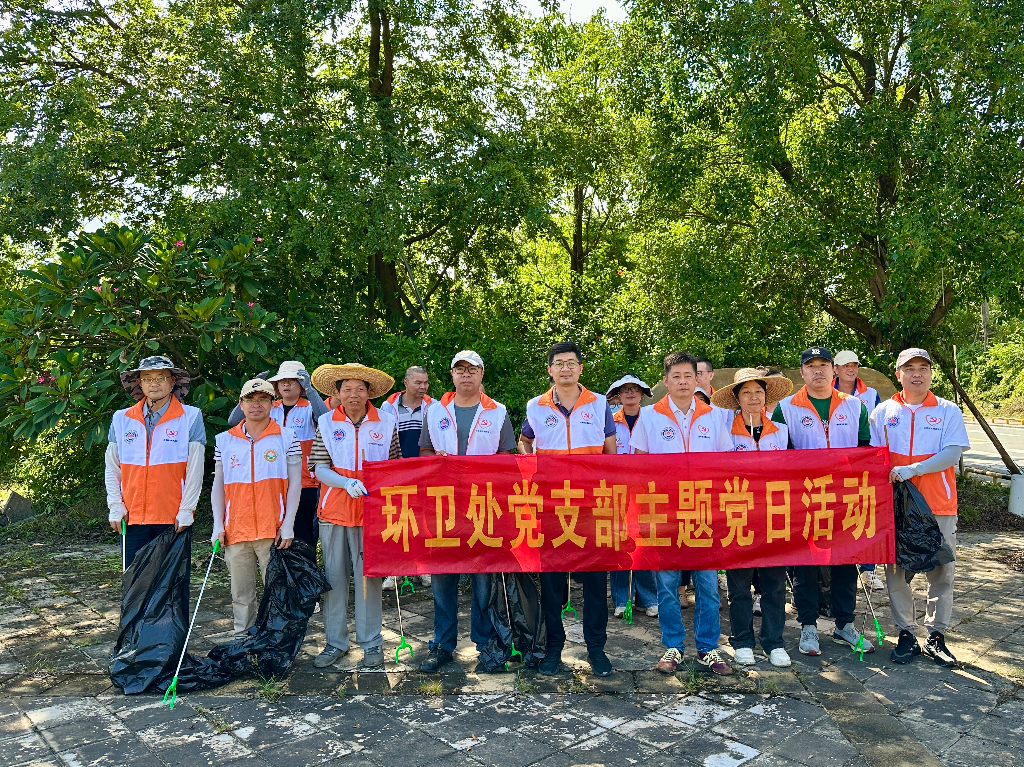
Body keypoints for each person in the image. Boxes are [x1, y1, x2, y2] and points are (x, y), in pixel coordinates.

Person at [631, 351, 735, 676]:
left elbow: (726, 463)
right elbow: (637, 463)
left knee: (706, 583)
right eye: (675, 376)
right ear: (665, 380)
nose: (682, 382)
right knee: (667, 583)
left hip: (704, 510)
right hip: (663, 512)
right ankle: (673, 645)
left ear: (698, 379)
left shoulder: (714, 415)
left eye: (688, 376)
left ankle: (707, 647)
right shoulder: (649, 416)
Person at [519, 341, 617, 677]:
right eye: (558, 363)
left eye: (571, 363)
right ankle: (553, 649)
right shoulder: (536, 406)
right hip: (552, 507)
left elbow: (610, 452)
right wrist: (532, 469)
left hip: (592, 507)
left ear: (580, 368)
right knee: (552, 583)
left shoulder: (600, 403)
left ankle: (596, 649)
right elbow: (525, 442)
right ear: (549, 370)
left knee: (594, 581)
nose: (565, 368)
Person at [416, 350, 518, 673]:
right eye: (459, 369)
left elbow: (508, 459)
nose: (466, 375)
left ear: (481, 375)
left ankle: (484, 644)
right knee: (442, 578)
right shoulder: (434, 411)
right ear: (451, 375)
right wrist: (436, 460)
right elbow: (423, 453)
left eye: (472, 369)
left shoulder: (497, 412)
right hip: (443, 507)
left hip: (482, 507)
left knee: (483, 579)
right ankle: (442, 644)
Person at [869, 348, 970, 666]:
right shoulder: (882, 412)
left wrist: (912, 469)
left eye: (923, 368)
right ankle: (906, 634)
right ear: (898, 374)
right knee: (897, 573)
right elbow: (874, 458)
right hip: (896, 507)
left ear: (930, 373)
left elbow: (952, 454)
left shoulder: (947, 410)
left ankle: (936, 636)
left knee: (942, 572)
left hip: (938, 504)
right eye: (909, 368)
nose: (917, 373)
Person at [771, 347, 875, 656]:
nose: (818, 371)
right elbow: (779, 456)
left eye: (823, 365)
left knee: (845, 563)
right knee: (805, 565)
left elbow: (866, 451)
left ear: (835, 371)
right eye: (811, 366)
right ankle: (808, 626)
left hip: (844, 500)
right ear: (801, 372)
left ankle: (845, 624)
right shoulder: (786, 408)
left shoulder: (855, 406)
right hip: (805, 500)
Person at [308, 363, 400, 669]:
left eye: (360, 388)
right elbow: (318, 467)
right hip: (333, 510)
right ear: (337, 393)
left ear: (369, 392)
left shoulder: (386, 422)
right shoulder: (325, 421)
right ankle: (335, 642)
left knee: (368, 580)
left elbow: (396, 467)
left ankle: (372, 643)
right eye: (347, 388)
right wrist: (345, 482)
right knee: (333, 580)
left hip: (372, 513)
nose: (353, 394)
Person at [106, 356, 205, 618]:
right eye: (148, 378)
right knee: (135, 583)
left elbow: (195, 469)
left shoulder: (190, 417)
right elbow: (112, 467)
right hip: (133, 517)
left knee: (174, 584)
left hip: (173, 517)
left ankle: (170, 648)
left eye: (161, 377)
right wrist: (115, 505)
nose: (154, 384)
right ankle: (135, 645)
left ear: (173, 381)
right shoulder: (121, 419)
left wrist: (187, 509)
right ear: (139, 383)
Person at [711, 368, 793, 668]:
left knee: (774, 584)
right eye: (746, 393)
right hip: (737, 515)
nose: (753, 398)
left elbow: (792, 474)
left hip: (773, 516)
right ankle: (742, 641)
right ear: (737, 398)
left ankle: (774, 642)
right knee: (739, 585)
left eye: (758, 392)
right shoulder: (725, 432)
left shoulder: (781, 432)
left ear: (766, 397)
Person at [211, 379, 302, 635]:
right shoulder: (224, 440)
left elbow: (296, 483)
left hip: (272, 529)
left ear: (274, 404)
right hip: (236, 529)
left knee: (277, 591)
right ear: (241, 404)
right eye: (250, 399)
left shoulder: (287, 437)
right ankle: (243, 640)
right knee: (240, 593)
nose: (256, 405)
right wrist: (219, 524)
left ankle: (275, 640)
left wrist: (288, 524)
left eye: (263, 399)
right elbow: (218, 484)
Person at [227, 361, 328, 547]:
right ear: (276, 386)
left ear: (301, 384)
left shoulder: (309, 407)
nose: (286, 384)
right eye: (282, 381)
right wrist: (252, 388)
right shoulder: (268, 407)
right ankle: (278, 574)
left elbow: (326, 420)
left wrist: (311, 390)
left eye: (292, 381)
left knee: (303, 534)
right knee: (274, 534)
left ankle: (304, 574)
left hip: (305, 482)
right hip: (271, 481)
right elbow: (233, 421)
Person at [605, 374, 658, 618]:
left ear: (642, 393)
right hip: (616, 489)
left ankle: (647, 599)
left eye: (634, 389)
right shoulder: (609, 420)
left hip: (646, 489)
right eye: (624, 389)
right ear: (617, 395)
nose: (630, 393)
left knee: (644, 543)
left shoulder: (653, 418)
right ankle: (620, 599)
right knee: (619, 544)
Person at [833, 351, 886, 592]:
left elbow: (875, 431)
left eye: (854, 365)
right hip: (833, 466)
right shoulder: (825, 391)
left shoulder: (870, 394)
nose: (851, 369)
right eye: (845, 366)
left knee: (865, 515)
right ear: (836, 369)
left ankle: (868, 570)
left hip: (862, 465)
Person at [380, 365, 434, 590]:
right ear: (406, 382)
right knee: (397, 520)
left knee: (424, 521)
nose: (423, 387)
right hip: (397, 471)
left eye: (425, 383)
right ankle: (396, 571)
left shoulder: (435, 406)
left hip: (424, 472)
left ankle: (424, 569)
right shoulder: (388, 406)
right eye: (418, 382)